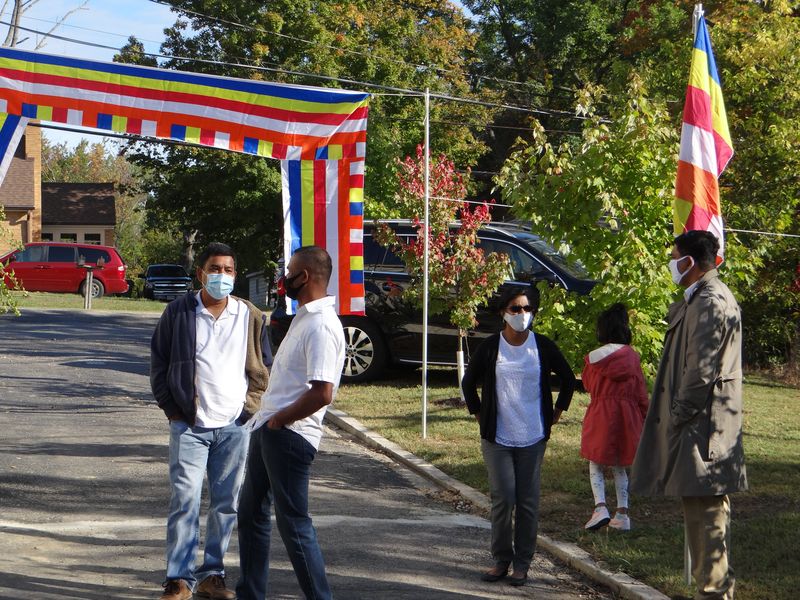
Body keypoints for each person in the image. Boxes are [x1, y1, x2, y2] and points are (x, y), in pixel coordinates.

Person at [150, 242, 272, 600]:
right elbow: (159, 361)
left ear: (236, 274)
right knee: (184, 501)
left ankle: (212, 575)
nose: (222, 276)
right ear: (201, 274)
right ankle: (179, 579)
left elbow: (264, 367)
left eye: (228, 270)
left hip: (234, 427)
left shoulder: (250, 315)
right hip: (189, 425)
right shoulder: (179, 312)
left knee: (225, 504)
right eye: (215, 269)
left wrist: (249, 409)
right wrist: (173, 410)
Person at [631, 231, 747, 600]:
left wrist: (678, 415)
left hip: (703, 431)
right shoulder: (701, 297)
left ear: (689, 262)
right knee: (702, 515)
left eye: (674, 256)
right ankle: (712, 591)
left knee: (707, 517)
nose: (671, 263)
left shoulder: (710, 301)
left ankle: (712, 594)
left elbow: (701, 371)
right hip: (700, 426)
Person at [236, 245, 345, 600]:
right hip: (270, 428)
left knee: (294, 524)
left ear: (306, 276)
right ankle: (250, 592)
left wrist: (280, 420)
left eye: (290, 273)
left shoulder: (322, 326)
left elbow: (323, 392)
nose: (285, 280)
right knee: (251, 512)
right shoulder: (305, 317)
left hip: (289, 434)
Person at [461, 285, 576, 587]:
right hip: (497, 437)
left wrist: (557, 413)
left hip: (533, 436)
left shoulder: (542, 346)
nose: (522, 314)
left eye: (527, 309)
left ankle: (522, 563)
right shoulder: (491, 346)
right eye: (515, 308)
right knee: (503, 498)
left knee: (527, 502)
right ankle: (501, 559)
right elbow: (468, 383)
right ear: (503, 312)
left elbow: (568, 379)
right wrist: (480, 416)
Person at [580, 303, 649, 531]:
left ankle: (600, 508)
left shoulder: (593, 359)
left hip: (600, 413)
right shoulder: (633, 358)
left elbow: (588, 385)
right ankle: (622, 514)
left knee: (596, 463)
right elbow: (640, 392)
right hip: (627, 415)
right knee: (620, 465)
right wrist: (645, 416)